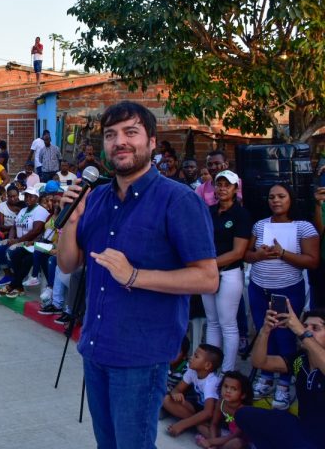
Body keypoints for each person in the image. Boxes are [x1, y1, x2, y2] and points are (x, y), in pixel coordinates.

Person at [57, 101, 218, 449]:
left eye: (131, 132)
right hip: (95, 348)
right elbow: (68, 264)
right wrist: (70, 221)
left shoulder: (178, 201)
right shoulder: (96, 198)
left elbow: (207, 278)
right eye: (111, 135)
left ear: (152, 142)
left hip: (140, 356)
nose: (120, 142)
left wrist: (134, 276)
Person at [243, 182, 319, 409]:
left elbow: (312, 261)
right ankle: (266, 376)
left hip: (286, 290)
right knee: (265, 332)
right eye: (271, 197)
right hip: (258, 288)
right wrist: (258, 256)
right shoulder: (260, 225)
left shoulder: (303, 227)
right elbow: (246, 255)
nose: (275, 200)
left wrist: (283, 253)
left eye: (281, 196)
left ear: (291, 199)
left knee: (285, 337)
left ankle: (286, 382)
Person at [235, 304, 325, 449]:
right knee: (244, 415)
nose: (308, 330)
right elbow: (260, 362)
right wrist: (265, 330)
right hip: (302, 429)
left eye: (315, 328)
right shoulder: (300, 360)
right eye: (305, 326)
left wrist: (301, 331)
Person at [200, 170, 252, 373]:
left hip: (229, 273)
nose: (222, 188)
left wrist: (208, 265)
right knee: (212, 323)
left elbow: (238, 252)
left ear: (235, 189)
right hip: (208, 273)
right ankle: (211, 371)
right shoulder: (209, 211)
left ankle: (228, 371)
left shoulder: (241, 215)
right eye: (218, 184)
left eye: (227, 185)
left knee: (228, 325)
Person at [0, 186, 50, 297]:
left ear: (37, 198)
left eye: (31, 197)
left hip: (31, 242)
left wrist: (17, 241)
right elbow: (14, 227)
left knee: (11, 252)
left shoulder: (40, 211)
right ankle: (10, 277)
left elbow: (35, 231)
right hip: (18, 240)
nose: (28, 199)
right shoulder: (23, 210)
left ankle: (16, 285)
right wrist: (11, 238)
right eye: (26, 196)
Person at [162, 343, 223, 437]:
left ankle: (195, 424)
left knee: (207, 432)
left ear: (207, 365)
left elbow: (208, 412)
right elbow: (177, 389)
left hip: (212, 415)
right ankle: (196, 423)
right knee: (166, 400)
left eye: (196, 356)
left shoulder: (211, 382)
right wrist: (175, 394)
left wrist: (181, 425)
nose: (191, 357)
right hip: (195, 409)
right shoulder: (192, 371)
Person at [195, 371, 252, 449]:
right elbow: (214, 424)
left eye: (233, 389)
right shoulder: (221, 402)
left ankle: (215, 445)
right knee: (200, 425)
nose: (228, 391)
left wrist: (210, 442)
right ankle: (217, 446)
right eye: (225, 386)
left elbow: (235, 435)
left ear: (243, 395)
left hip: (238, 438)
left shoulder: (244, 411)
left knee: (237, 443)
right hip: (226, 433)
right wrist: (213, 441)